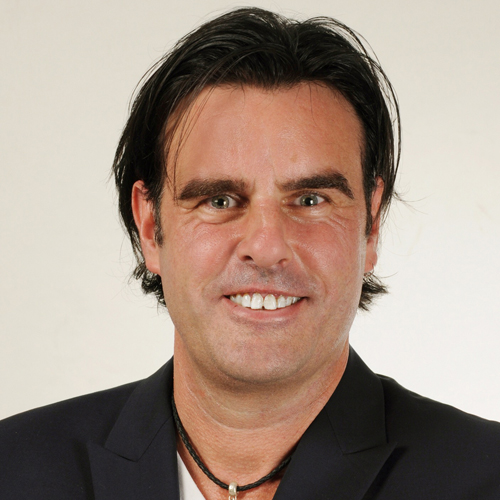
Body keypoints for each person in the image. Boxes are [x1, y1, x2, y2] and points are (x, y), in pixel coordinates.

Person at [0, 7, 499, 499]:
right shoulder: (13, 469)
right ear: (150, 227)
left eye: (311, 200)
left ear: (371, 226)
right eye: (219, 201)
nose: (266, 247)